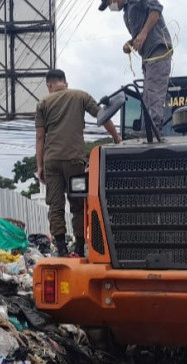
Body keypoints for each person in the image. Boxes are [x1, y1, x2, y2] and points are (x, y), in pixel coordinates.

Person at [35, 69, 122, 257]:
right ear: (65, 82)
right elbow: (103, 117)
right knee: (78, 205)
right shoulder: (81, 96)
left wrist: (40, 166)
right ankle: (80, 248)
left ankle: (61, 249)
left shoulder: (43, 103)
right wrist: (116, 138)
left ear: (49, 85)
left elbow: (40, 137)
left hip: (52, 163)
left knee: (55, 206)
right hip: (75, 162)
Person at [99, 0, 173, 134]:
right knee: (147, 95)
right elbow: (139, 36)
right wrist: (130, 43)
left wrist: (144, 33)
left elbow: (156, 10)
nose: (111, 7)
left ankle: (153, 128)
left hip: (158, 49)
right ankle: (148, 128)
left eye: (109, 3)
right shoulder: (126, 14)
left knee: (154, 90)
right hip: (147, 56)